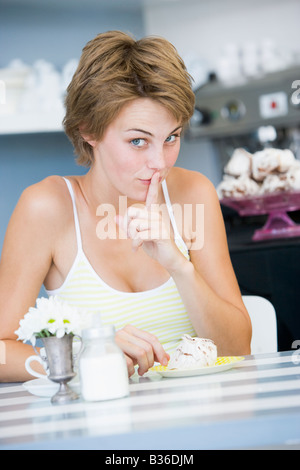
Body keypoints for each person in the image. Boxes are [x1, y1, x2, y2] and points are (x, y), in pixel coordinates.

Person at [0, 31, 251, 382]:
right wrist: (87, 352)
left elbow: (237, 347)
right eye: (138, 141)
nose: (159, 162)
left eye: (171, 138)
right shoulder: (46, 208)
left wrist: (179, 266)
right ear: (89, 130)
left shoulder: (193, 193)